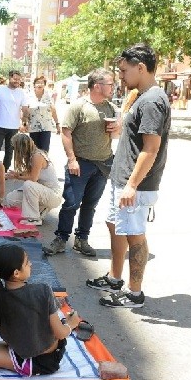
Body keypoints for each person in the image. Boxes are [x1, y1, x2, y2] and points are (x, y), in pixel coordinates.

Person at [86, 44, 171, 308]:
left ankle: (135, 294)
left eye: (124, 70)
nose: (121, 76)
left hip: (134, 184)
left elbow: (151, 148)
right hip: (122, 179)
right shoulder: (140, 96)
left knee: (135, 236)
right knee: (116, 226)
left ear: (141, 68)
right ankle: (115, 278)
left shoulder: (153, 100)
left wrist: (132, 185)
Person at [0, 244, 79, 376]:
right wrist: (71, 324)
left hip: (23, 356)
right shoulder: (44, 290)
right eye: (26, 262)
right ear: (16, 273)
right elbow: (60, 334)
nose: (30, 264)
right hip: (48, 360)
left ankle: (3, 361)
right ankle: (11, 361)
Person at [43, 68, 119, 257]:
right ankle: (61, 238)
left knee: (90, 205)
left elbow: (116, 135)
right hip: (80, 164)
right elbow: (66, 133)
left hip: (103, 165)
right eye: (110, 84)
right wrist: (72, 160)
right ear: (96, 86)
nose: (113, 87)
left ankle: (81, 239)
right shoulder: (79, 106)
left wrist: (117, 127)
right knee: (71, 203)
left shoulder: (110, 107)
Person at [4, 133, 62, 226]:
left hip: (53, 195)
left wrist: (17, 176)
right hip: (43, 191)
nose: (14, 150)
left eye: (15, 147)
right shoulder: (32, 155)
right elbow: (32, 173)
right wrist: (17, 174)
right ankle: (41, 209)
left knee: (29, 184)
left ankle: (34, 218)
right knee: (11, 198)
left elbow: (33, 178)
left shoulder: (37, 156)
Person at [0, 70, 29, 170]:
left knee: (10, 150)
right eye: (15, 79)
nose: (17, 81)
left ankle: (5, 170)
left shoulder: (21, 92)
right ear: (9, 78)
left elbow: (25, 109)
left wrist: (25, 122)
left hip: (14, 127)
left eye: (19, 80)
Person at [26, 76, 60, 152]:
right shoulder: (29, 96)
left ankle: (44, 164)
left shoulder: (49, 95)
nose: (39, 84)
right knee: (33, 151)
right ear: (34, 84)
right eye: (37, 82)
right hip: (33, 127)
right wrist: (24, 123)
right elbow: (25, 111)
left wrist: (57, 124)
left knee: (44, 151)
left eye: (42, 83)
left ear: (44, 85)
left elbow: (53, 111)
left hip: (46, 127)